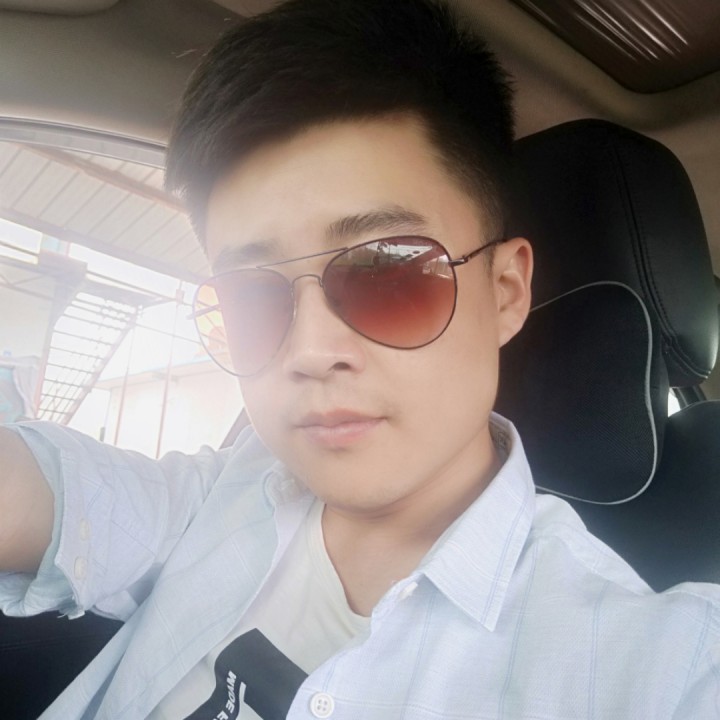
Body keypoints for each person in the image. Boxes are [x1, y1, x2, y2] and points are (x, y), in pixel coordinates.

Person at [0, 0, 718, 718]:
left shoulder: (654, 666)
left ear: (505, 292)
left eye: (390, 273)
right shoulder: (215, 497)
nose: (311, 352)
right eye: (251, 298)